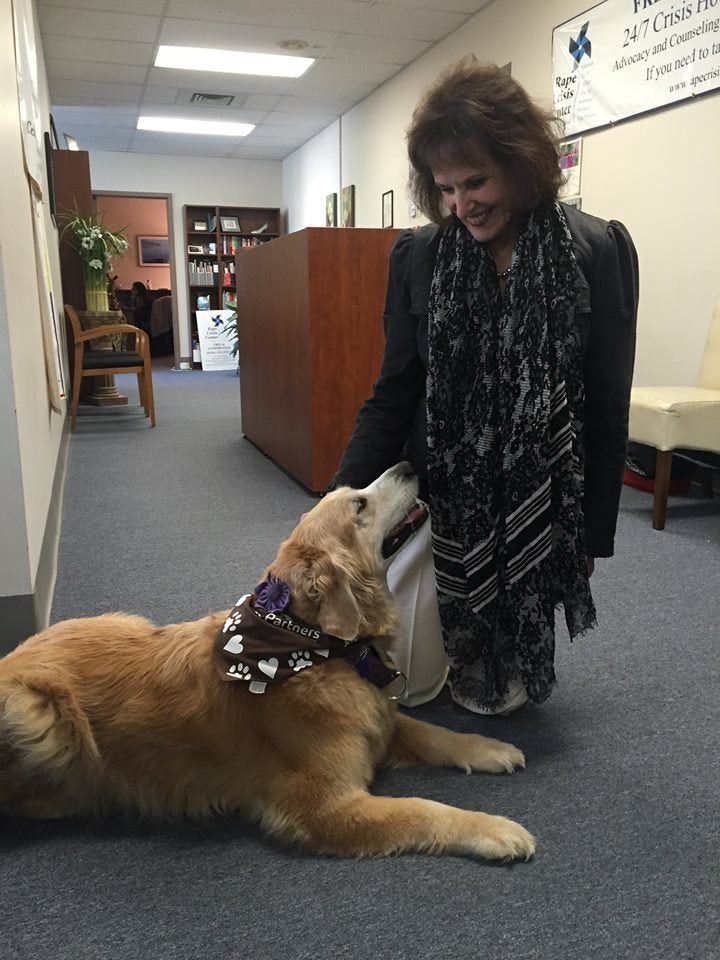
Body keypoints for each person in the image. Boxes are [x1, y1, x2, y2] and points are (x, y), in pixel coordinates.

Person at [330, 56, 639, 716]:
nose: (461, 205)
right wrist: (340, 500)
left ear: (523, 167)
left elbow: (607, 406)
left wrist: (590, 536)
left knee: (502, 701)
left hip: (541, 494)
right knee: (407, 686)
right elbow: (394, 391)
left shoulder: (595, 251)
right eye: (444, 189)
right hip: (442, 496)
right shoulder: (419, 258)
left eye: (476, 182)